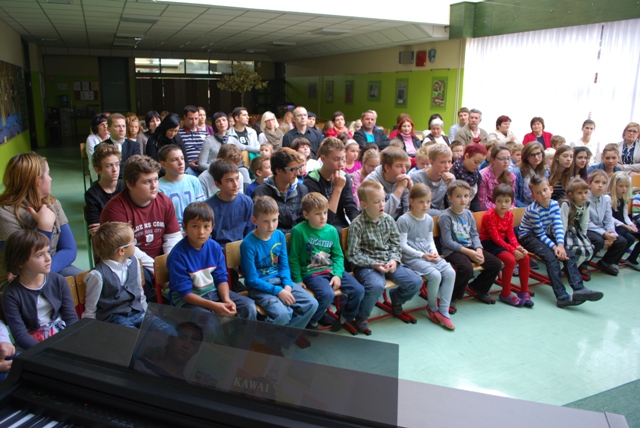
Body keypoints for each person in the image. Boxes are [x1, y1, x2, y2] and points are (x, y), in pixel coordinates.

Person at [347, 181, 422, 334]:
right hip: (367, 266)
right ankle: (362, 316)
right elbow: (353, 254)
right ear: (364, 204)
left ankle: (397, 299)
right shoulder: (357, 225)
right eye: (376, 201)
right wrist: (373, 263)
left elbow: (396, 244)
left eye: (383, 199)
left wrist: (394, 260)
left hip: (388, 261)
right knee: (376, 285)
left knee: (415, 281)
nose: (382, 204)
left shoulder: (388, 220)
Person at [519, 175, 603, 308]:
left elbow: (558, 226)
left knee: (568, 255)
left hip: (544, 234)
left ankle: (579, 288)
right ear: (533, 196)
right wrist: (554, 247)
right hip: (528, 237)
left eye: (545, 190)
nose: (543, 194)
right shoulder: (533, 210)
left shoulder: (554, 205)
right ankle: (562, 296)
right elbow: (539, 234)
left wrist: (560, 245)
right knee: (552, 259)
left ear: (551, 189)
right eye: (538, 193)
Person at [0, 152, 82, 286]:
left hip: (54, 268)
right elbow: (24, 262)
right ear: (37, 181)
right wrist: (45, 228)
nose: (51, 179)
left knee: (88, 281)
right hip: (19, 279)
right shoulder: (4, 214)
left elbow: (69, 249)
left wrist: (46, 272)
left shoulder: (53, 203)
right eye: (48, 174)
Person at [101, 155, 182, 290]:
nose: (154, 186)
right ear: (130, 184)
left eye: (155, 179)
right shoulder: (115, 210)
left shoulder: (164, 202)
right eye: (147, 182)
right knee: (140, 275)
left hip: (161, 260)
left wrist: (170, 264)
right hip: (129, 261)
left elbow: (172, 237)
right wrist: (158, 269)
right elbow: (127, 250)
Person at [289, 193, 364, 332]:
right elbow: (293, 258)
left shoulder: (332, 230)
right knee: (327, 295)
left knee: (359, 290)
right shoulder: (298, 231)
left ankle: (345, 316)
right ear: (306, 214)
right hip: (312, 273)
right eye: (318, 214)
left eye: (325, 212)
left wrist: (337, 274)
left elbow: (338, 256)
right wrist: (298, 280)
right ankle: (312, 321)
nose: (323, 217)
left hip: (331, 270)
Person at [240, 195, 318, 328]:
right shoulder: (248, 244)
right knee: (283, 315)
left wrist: (287, 285)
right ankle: (276, 336)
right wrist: (278, 291)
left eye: (274, 220)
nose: (271, 226)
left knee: (312, 304)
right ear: (254, 220)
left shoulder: (279, 235)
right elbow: (252, 280)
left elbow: (284, 266)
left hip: (280, 281)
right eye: (265, 221)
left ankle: (284, 337)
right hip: (259, 287)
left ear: (278, 216)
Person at [168, 202, 257, 319]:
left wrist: (226, 299)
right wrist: (214, 306)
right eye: (195, 226)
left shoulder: (214, 247)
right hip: (188, 300)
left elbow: (221, 278)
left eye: (206, 226)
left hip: (213, 292)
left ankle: (243, 332)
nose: (201, 232)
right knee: (209, 320)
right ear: (185, 227)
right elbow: (185, 294)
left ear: (212, 227)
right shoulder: (177, 255)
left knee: (249, 306)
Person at [83, 222, 174, 333]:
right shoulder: (97, 275)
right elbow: (90, 308)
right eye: (133, 242)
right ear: (121, 251)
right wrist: (91, 330)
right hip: (115, 319)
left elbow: (139, 292)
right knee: (133, 339)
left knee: (169, 333)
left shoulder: (134, 261)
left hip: (139, 313)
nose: (135, 244)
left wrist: (146, 312)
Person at [2, 229, 78, 350]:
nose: (48, 258)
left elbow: (71, 318)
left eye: (48, 251)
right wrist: (45, 351)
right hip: (33, 344)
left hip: (62, 335)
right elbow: (20, 335)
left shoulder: (58, 281)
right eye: (39, 255)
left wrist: (68, 342)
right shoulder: (11, 294)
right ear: (20, 262)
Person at [397, 184, 456, 329]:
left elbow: (429, 240)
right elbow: (402, 246)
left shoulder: (429, 219)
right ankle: (432, 307)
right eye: (421, 202)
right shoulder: (404, 220)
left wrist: (434, 252)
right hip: (412, 257)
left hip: (427, 254)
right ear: (411, 201)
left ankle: (444, 311)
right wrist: (422, 255)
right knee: (435, 275)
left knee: (450, 272)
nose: (425, 205)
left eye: (428, 202)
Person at [438, 181, 502, 311]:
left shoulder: (468, 214)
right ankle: (451, 296)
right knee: (466, 268)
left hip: (470, 248)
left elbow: (474, 234)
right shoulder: (445, 217)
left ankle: (478, 288)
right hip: (452, 251)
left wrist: (479, 250)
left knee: (496, 264)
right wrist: (470, 253)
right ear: (450, 198)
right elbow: (447, 242)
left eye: (466, 196)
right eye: (458, 196)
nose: (463, 199)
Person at [480, 184, 533, 307]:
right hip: (489, 243)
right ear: (494, 201)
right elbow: (495, 238)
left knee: (525, 257)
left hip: (503, 242)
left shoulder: (510, 215)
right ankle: (505, 293)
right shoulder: (489, 215)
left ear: (511, 202)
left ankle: (524, 291)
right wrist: (512, 250)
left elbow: (511, 235)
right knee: (510, 260)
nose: (503, 204)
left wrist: (518, 247)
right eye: (499, 201)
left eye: (507, 201)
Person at [304, 137, 359, 232]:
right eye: (336, 159)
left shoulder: (345, 177)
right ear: (323, 159)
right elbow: (326, 220)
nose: (341, 164)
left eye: (343, 159)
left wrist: (358, 224)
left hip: (341, 223)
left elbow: (350, 206)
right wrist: (337, 188)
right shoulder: (312, 181)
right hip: (320, 227)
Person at [252, 148, 308, 233]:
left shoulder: (302, 190)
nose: (297, 173)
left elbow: (305, 220)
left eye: (298, 168)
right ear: (278, 170)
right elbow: (260, 225)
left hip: (297, 236)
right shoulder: (261, 193)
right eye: (292, 169)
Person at [586, 169, 627, 277]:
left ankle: (605, 263)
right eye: (597, 182)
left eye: (604, 183)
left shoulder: (605, 199)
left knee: (621, 241)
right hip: (588, 229)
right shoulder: (585, 198)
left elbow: (608, 219)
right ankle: (583, 265)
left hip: (601, 228)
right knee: (598, 241)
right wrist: (604, 234)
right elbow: (586, 222)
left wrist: (611, 233)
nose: (600, 185)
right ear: (589, 183)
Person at [205, 160, 255, 247]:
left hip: (243, 247)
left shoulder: (247, 202)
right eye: (229, 180)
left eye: (237, 178)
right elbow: (208, 238)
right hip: (218, 250)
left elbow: (250, 232)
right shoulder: (207, 207)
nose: (236, 184)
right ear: (218, 184)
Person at [157, 145, 205, 231]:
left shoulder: (193, 180)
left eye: (182, 158)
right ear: (163, 164)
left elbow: (202, 209)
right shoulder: (158, 188)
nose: (181, 163)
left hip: (195, 229)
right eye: (174, 160)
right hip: (173, 232)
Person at [85, 143, 125, 234]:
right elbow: (95, 229)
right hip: (107, 238)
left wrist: (105, 225)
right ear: (97, 170)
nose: (115, 169)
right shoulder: (92, 194)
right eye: (109, 166)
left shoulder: (126, 186)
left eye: (117, 164)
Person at [364, 146, 412, 220]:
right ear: (387, 168)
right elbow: (380, 215)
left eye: (405, 166)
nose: (404, 171)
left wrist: (411, 189)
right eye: (399, 166)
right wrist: (400, 189)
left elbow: (411, 210)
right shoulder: (371, 182)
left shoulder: (403, 179)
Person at [560, 178, 594, 278]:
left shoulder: (586, 204)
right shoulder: (566, 204)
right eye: (580, 193)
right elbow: (562, 224)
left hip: (575, 230)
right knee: (572, 248)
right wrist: (561, 241)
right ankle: (562, 268)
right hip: (562, 230)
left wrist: (583, 238)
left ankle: (573, 268)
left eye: (586, 192)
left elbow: (584, 223)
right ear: (571, 194)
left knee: (588, 248)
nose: (584, 196)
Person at [607, 171, 640, 271]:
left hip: (622, 226)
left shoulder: (624, 198)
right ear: (614, 185)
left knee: (633, 235)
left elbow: (625, 216)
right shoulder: (608, 198)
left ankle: (632, 259)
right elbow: (609, 218)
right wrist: (626, 226)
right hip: (613, 226)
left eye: (626, 186)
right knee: (629, 238)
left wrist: (631, 224)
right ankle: (613, 260)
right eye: (621, 186)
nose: (624, 189)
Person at [412, 144, 456, 216]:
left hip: (441, 217)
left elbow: (455, 206)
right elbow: (419, 208)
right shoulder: (417, 177)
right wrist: (445, 214)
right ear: (431, 162)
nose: (447, 166)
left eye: (449, 162)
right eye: (443, 162)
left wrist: (451, 186)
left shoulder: (450, 178)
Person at [478, 145, 516, 211]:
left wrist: (510, 208)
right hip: (489, 212)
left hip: (506, 210)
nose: (506, 162)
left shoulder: (511, 176)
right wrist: (502, 208)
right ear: (493, 160)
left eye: (508, 158)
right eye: (502, 159)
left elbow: (512, 199)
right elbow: (483, 203)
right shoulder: (483, 176)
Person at [451, 142, 487, 212]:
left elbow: (475, 201)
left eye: (480, 163)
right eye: (476, 162)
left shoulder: (477, 175)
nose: (478, 166)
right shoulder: (453, 173)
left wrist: (479, 214)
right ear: (467, 156)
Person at [514, 142, 546, 207]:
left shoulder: (545, 171)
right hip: (523, 207)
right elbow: (513, 198)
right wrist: (529, 208)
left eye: (538, 153)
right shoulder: (517, 172)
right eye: (532, 155)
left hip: (540, 206)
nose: (536, 157)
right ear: (526, 157)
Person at [179, 105, 207, 176]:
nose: (194, 122)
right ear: (185, 117)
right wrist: (188, 164)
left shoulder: (205, 133)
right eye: (191, 119)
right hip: (188, 167)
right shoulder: (179, 134)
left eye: (196, 118)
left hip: (204, 166)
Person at [86, 113, 110, 181]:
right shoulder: (91, 139)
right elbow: (93, 157)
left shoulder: (111, 136)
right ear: (96, 127)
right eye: (102, 124)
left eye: (106, 123)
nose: (105, 126)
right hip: (98, 168)